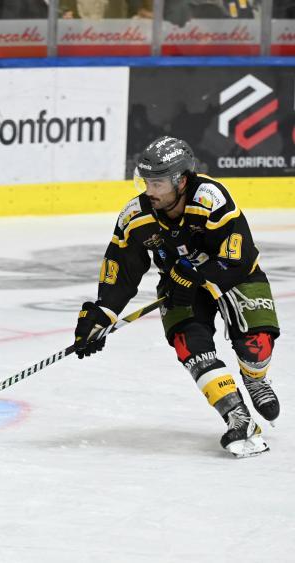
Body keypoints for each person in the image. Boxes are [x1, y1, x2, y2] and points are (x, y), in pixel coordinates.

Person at [73, 136, 280, 458]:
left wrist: (199, 277)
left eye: (157, 183)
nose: (149, 190)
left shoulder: (211, 199)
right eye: (145, 181)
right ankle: (238, 419)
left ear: (181, 180)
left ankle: (254, 378)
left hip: (234, 275)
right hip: (178, 285)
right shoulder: (135, 215)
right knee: (191, 346)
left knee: (255, 345)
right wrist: (103, 312)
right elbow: (122, 267)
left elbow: (237, 256)